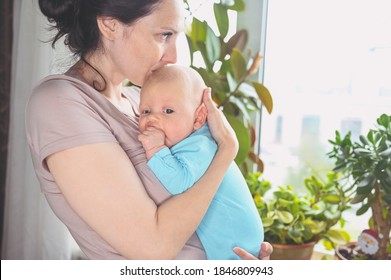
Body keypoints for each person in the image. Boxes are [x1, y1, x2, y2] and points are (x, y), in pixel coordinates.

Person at [26, 0, 272, 260]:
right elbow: (153, 249)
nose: (174, 57)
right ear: (110, 25)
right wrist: (226, 151)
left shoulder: (141, 102)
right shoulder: (60, 103)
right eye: (164, 35)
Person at [138, 65, 264, 260]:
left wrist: (155, 149)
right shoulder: (189, 138)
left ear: (198, 118)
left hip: (235, 245)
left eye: (168, 111)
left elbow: (179, 183)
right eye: (146, 111)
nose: (153, 118)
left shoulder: (200, 145)